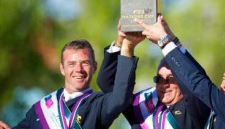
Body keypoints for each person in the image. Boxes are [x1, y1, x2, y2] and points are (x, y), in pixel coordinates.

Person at [135, 15, 225, 129]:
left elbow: (201, 85)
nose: (224, 85)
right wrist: (172, 39)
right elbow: (200, 79)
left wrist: (164, 41)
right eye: (224, 78)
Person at [0, 38, 140, 129]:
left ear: (94, 67)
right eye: (71, 64)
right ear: (62, 68)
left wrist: (125, 45)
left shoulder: (98, 104)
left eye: (84, 63)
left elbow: (120, 98)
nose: (78, 69)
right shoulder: (39, 110)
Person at [97, 22, 210, 128]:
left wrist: (167, 40)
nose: (164, 84)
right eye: (159, 79)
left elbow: (197, 80)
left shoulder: (195, 106)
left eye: (170, 79)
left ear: (182, 80)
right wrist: (122, 43)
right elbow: (108, 83)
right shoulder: (145, 103)